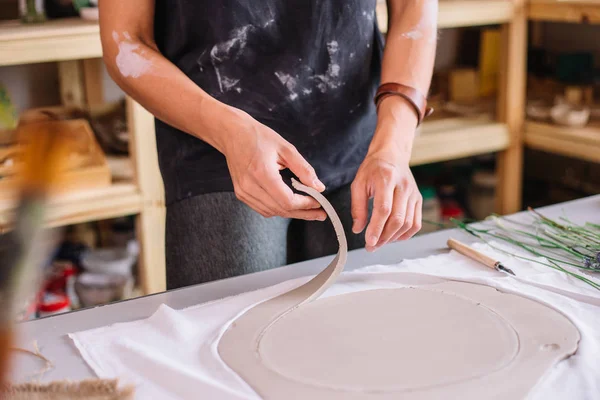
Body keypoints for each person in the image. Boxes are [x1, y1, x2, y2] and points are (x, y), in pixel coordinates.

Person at [99, 0, 438, 289]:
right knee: (226, 344)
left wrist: (393, 147)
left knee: (367, 345)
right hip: (217, 148)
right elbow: (127, 40)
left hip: (362, 147)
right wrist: (231, 133)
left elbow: (413, 9)